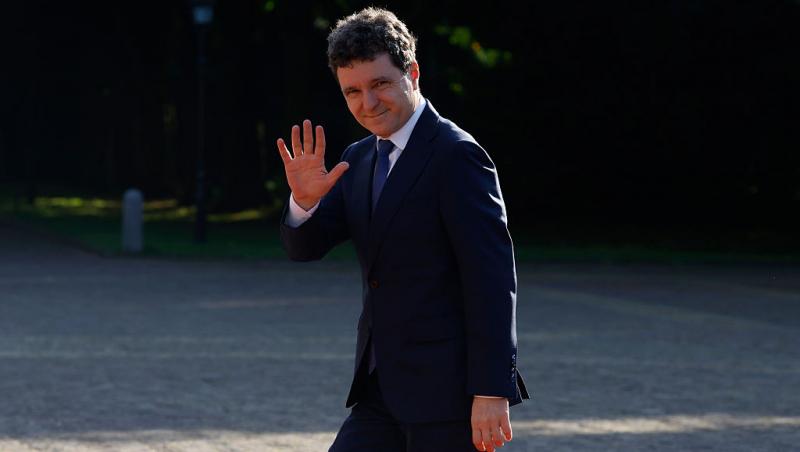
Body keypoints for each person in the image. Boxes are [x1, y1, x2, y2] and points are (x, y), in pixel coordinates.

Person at [276, 7, 528, 452]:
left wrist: (492, 390)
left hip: (449, 395)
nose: (368, 103)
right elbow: (305, 248)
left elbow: (491, 280)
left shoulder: (457, 156)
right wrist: (305, 202)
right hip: (379, 389)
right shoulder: (357, 158)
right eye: (353, 91)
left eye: (380, 84)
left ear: (412, 73)